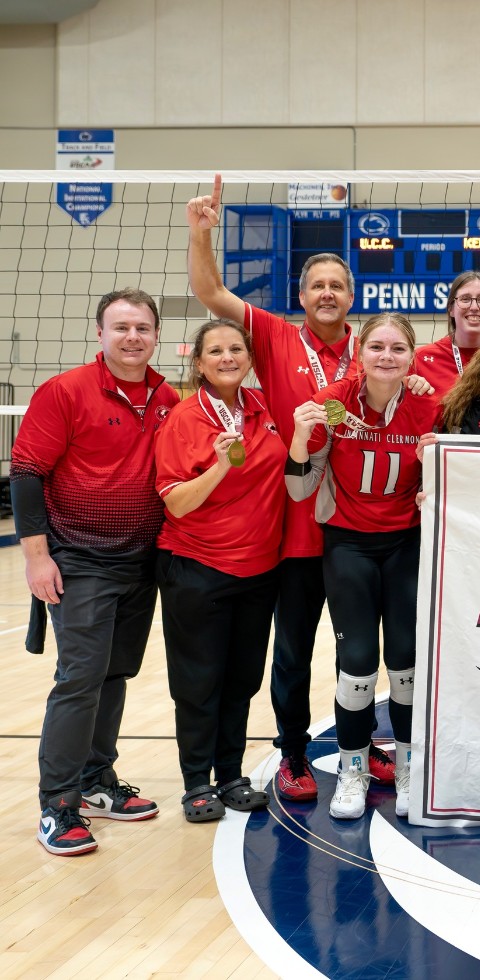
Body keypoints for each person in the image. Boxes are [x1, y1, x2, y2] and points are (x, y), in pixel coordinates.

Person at [186, 175, 398, 800]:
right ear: (300, 296)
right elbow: (211, 292)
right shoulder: (275, 336)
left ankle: (362, 744)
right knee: (294, 652)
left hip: (365, 528)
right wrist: (203, 232)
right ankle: (294, 755)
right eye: (317, 285)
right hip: (299, 526)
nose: (327, 293)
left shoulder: (378, 349)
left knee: (363, 651)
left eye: (337, 285)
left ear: (352, 296)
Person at [13, 288, 178, 855]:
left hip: (141, 559)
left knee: (115, 673)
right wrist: (37, 557)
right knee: (81, 676)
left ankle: (94, 780)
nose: (132, 337)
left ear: (156, 335)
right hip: (79, 558)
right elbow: (28, 474)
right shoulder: (65, 391)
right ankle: (57, 805)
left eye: (142, 328)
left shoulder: (168, 397)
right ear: (100, 334)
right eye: (121, 327)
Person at [286, 313, 441, 820]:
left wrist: (435, 475)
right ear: (360, 352)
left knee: (405, 666)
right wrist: (298, 437)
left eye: (399, 348)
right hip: (348, 545)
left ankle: (411, 767)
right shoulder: (334, 401)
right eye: (377, 346)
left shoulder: (429, 404)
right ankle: (353, 769)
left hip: (405, 546)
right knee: (357, 667)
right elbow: (298, 488)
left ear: (412, 356)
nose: (387, 357)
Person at [154, 319, 286, 822]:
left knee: (242, 679)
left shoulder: (262, 408)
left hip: (259, 569)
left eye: (236, 348)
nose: (228, 357)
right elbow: (177, 506)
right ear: (199, 362)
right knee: (198, 681)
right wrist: (219, 467)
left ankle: (230, 774)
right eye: (216, 351)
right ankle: (195, 783)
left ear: (248, 357)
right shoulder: (184, 420)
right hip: (197, 567)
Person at [412, 271, 480, 401]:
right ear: (451, 309)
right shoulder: (420, 359)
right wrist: (404, 382)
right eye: (465, 299)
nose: (474, 307)